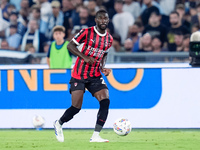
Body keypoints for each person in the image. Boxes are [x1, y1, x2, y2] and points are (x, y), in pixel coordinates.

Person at [53, 9, 113, 143]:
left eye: (105, 19)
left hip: (95, 75)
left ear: (108, 21)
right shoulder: (87, 33)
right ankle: (59, 123)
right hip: (79, 74)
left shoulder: (109, 39)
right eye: (100, 19)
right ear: (96, 20)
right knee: (76, 107)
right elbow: (70, 46)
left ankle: (96, 135)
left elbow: (104, 54)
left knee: (105, 100)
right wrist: (85, 57)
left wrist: (103, 67)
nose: (103, 21)